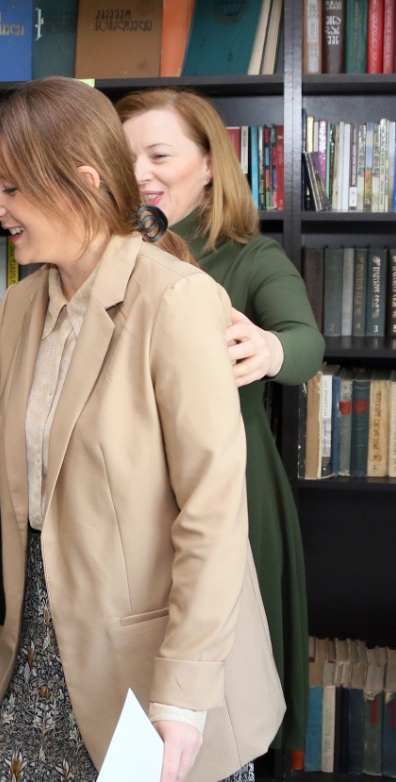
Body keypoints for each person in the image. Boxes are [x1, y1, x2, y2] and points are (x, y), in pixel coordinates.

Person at [0, 78, 283, 782]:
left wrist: (184, 693)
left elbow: (214, 515)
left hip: (151, 664)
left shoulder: (178, 300)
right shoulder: (22, 306)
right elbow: (28, 467)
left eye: (9, 187)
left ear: (84, 183)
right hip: (38, 645)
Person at [118, 88, 323, 754]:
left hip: (227, 487)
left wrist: (269, 349)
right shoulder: (110, 253)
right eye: (126, 156)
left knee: (227, 682)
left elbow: (306, 343)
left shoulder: (249, 256)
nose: (140, 173)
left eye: (159, 154)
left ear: (209, 164)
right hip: (126, 491)